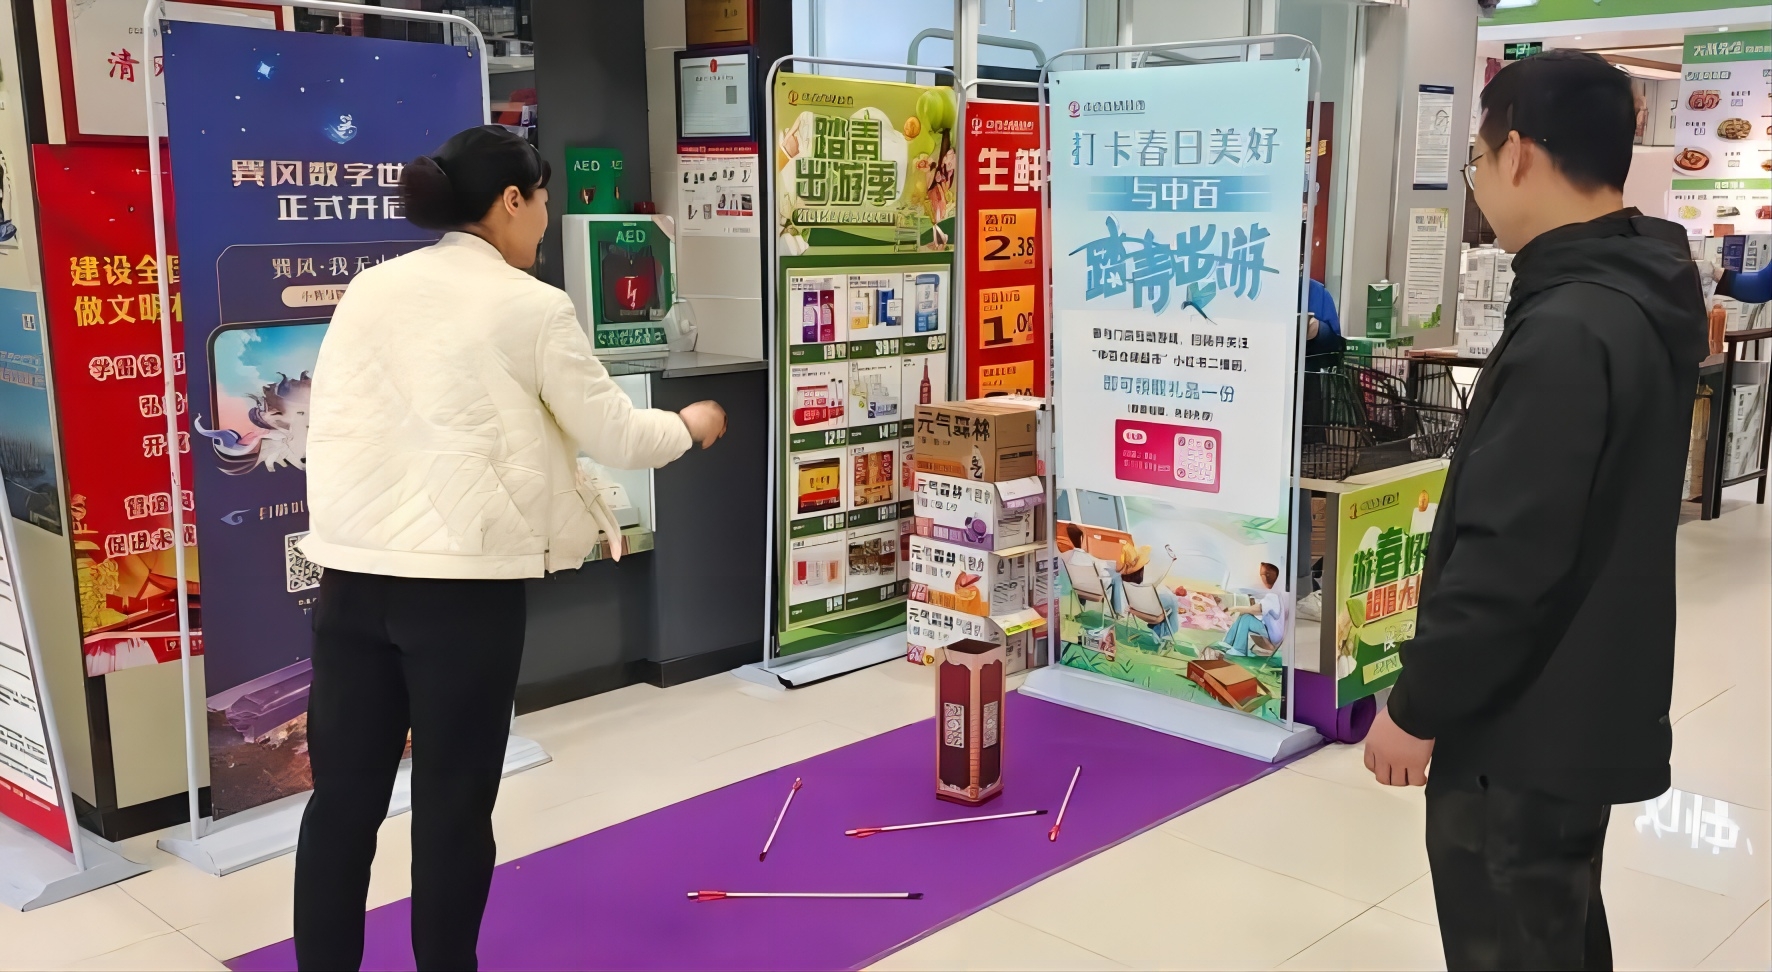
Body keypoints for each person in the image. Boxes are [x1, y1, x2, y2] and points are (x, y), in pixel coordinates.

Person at [293, 126, 727, 971]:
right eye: (543, 202)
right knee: (453, 811)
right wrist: (691, 423)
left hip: (350, 580)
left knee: (340, 809)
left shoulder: (370, 289)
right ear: (510, 201)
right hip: (463, 592)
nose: (546, 220)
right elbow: (615, 433)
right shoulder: (532, 306)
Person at [1363, 52, 1706, 971]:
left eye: (1476, 160)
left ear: (1517, 153)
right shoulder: (1636, 290)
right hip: (1579, 704)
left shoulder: (1568, 325)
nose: (1477, 181)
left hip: (1519, 726)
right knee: (1554, 932)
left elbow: (1509, 556)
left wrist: (1417, 706)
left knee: (1511, 938)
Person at [1216, 562, 1282, 657]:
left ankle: (1239, 650)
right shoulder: (1270, 594)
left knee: (1246, 618)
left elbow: (1256, 609)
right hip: (1267, 628)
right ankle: (1227, 643)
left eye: (1260, 574)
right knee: (1244, 616)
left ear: (1266, 577)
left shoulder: (1273, 596)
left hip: (1272, 633)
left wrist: (1234, 608)